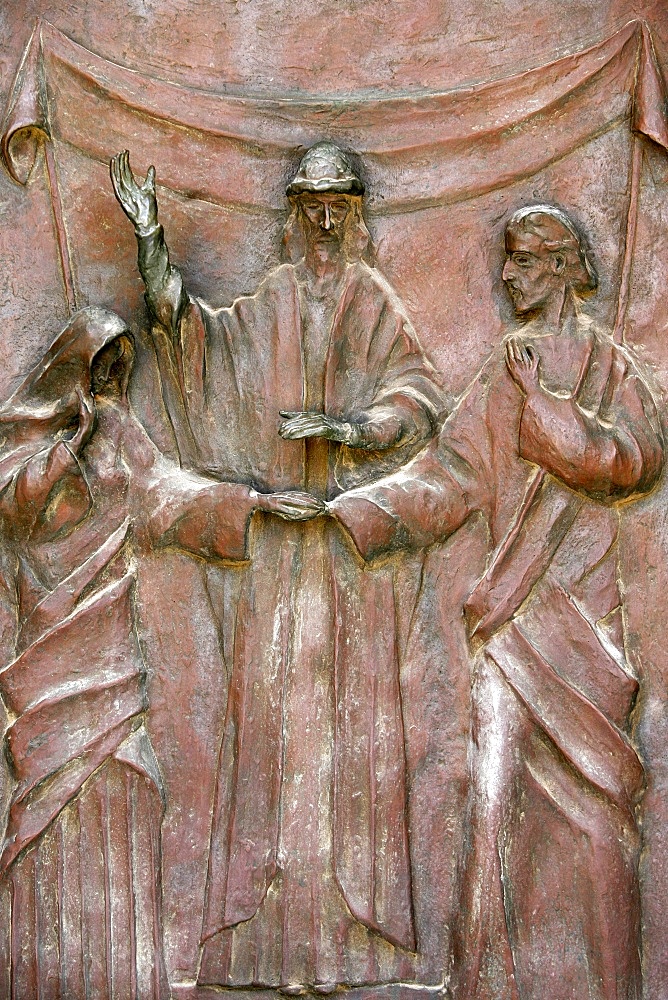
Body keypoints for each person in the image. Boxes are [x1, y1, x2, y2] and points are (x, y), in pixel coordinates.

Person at [110, 142, 443, 990]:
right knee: (271, 738)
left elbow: (416, 401)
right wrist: (153, 247)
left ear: (356, 215)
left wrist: (351, 431)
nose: (325, 222)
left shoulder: (373, 301)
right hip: (277, 559)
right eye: (311, 206)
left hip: (346, 558)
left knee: (350, 739)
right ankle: (265, 946)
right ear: (295, 217)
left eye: (339, 207)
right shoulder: (279, 298)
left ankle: (355, 942)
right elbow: (204, 347)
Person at [328, 206, 664, 999]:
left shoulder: (614, 373)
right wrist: (356, 510)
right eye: (507, 260)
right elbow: (451, 477)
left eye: (519, 261)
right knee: (490, 802)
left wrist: (549, 409)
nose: (505, 275)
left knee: (602, 817)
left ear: (557, 268)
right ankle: (488, 984)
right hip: (513, 631)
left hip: (582, 631)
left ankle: (614, 979)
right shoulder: (503, 369)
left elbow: (632, 463)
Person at [0, 306, 317, 999]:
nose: (112, 382)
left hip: (114, 646)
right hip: (52, 651)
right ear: (71, 371)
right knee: (54, 799)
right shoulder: (25, 437)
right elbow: (15, 509)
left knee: (125, 777)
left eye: (121, 368)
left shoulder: (120, 430)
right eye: (102, 365)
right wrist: (65, 448)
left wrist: (250, 504)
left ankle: (120, 969)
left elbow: (165, 494)